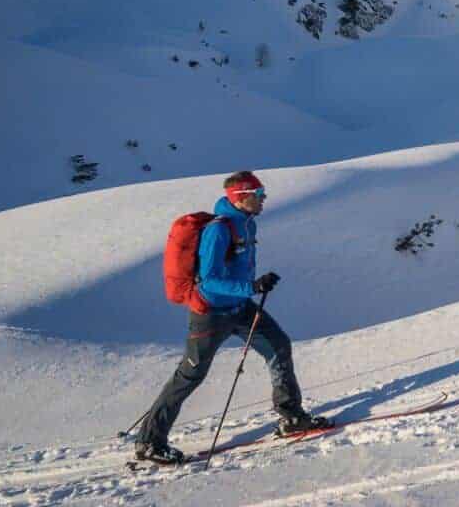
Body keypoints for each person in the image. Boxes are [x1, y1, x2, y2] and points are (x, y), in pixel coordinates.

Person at [134, 171, 332, 464]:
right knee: (190, 376)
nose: (264, 199)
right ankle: (149, 442)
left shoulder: (247, 224)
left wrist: (253, 287)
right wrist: (251, 286)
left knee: (278, 345)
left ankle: (292, 417)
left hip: (240, 307)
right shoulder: (219, 231)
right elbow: (209, 280)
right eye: (258, 194)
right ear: (241, 197)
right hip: (210, 314)